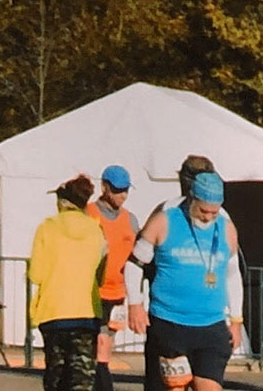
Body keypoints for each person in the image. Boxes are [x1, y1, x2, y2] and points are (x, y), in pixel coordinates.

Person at [125, 171, 244, 391]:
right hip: (170, 325)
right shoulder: (164, 221)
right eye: (202, 211)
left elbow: (233, 275)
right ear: (192, 199)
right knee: (174, 386)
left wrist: (236, 321)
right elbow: (133, 264)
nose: (208, 217)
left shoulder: (226, 229)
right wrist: (135, 304)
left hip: (211, 327)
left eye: (214, 212)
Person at [30, 175, 106, 391]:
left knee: (56, 379)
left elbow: (36, 274)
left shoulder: (46, 227)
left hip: (52, 313)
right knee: (81, 380)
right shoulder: (96, 230)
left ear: (62, 202)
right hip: (86, 313)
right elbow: (101, 273)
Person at [86, 164, 141, 391]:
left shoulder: (131, 219)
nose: (123, 195)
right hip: (92, 292)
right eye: (118, 190)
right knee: (97, 344)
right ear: (104, 187)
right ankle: (101, 383)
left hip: (117, 293)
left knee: (106, 344)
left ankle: (100, 379)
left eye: (126, 190)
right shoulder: (89, 213)